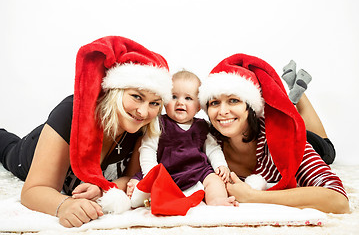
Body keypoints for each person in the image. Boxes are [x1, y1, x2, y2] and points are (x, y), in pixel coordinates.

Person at [0, 36, 173, 227]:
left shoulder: (145, 126)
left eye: (154, 103)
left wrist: (105, 189)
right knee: (6, 146)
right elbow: (33, 190)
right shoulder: (71, 111)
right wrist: (64, 205)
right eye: (136, 97)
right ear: (115, 91)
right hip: (27, 152)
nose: (143, 111)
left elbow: (132, 179)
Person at [198, 53, 350, 214]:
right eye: (214, 103)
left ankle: (298, 95)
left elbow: (339, 201)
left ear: (251, 106)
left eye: (233, 100)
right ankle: (290, 101)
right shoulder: (205, 142)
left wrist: (253, 197)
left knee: (327, 148)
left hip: (302, 138)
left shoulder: (285, 140)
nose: (222, 111)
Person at [127, 70, 237, 207]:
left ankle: (217, 201)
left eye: (188, 98)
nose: (180, 102)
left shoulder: (202, 126)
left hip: (196, 171)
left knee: (214, 180)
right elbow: (147, 148)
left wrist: (221, 165)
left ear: (198, 107)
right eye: (174, 97)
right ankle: (138, 195)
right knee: (136, 181)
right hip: (164, 172)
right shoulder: (158, 123)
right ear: (165, 101)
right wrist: (151, 174)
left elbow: (213, 148)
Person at [282, 60, 336, 165]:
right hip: (314, 146)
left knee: (326, 148)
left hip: (305, 145)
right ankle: (292, 91)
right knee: (326, 145)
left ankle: (292, 95)